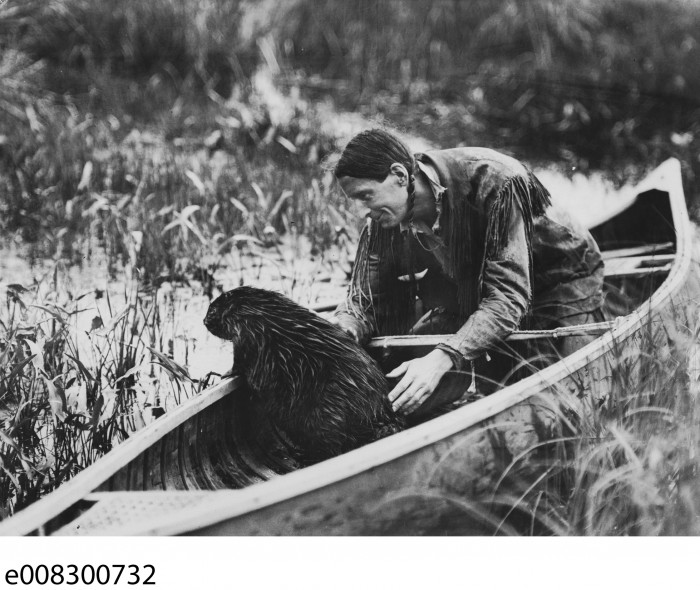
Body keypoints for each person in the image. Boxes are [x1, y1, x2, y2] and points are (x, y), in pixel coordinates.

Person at [331, 128, 604, 420]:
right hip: (473, 282)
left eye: (365, 196)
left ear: (399, 175)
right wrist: (343, 330)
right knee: (392, 388)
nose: (361, 212)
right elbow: (366, 300)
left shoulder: (497, 182)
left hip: (559, 275)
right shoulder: (385, 218)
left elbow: (507, 298)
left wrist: (443, 356)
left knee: (567, 402)